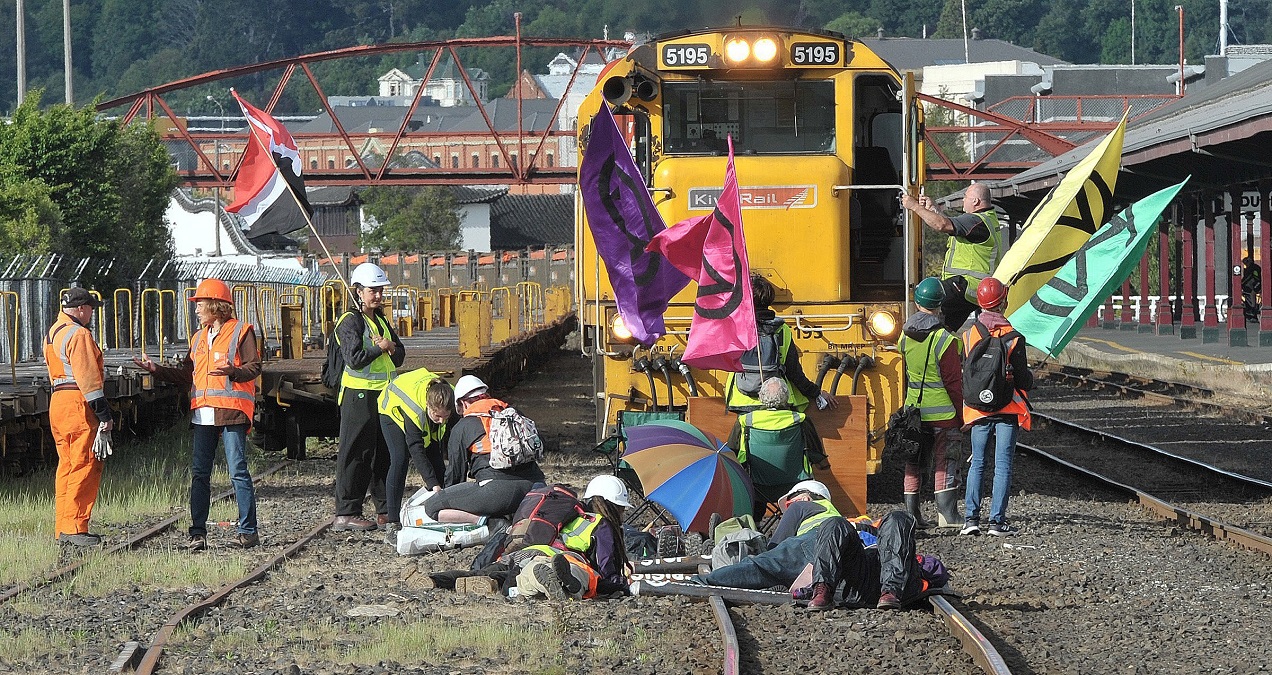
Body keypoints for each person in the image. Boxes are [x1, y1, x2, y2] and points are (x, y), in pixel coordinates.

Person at [135, 278, 262, 550]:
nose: (196, 309)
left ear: (216, 305)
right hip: (202, 413)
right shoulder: (197, 338)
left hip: (231, 412)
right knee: (199, 473)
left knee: (237, 470)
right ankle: (198, 533)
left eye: (200, 304)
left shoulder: (241, 331)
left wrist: (234, 372)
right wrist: (155, 369)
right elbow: (187, 375)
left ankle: (248, 531)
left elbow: (254, 367)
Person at [692, 480, 924, 610]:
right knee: (898, 517)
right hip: (873, 575)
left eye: (789, 504)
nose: (788, 509)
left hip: (831, 557)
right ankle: (890, 592)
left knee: (765, 566)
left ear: (804, 497)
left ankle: (824, 592)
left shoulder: (805, 508)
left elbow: (773, 553)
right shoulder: (847, 520)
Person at [333, 262, 405, 531]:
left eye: (380, 290)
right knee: (355, 454)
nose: (378, 295)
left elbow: (399, 355)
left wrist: (388, 346)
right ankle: (346, 512)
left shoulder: (381, 320)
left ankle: (385, 510)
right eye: (372, 290)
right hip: (358, 396)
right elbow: (354, 359)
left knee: (383, 453)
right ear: (358, 292)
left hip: (384, 396)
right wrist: (381, 349)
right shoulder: (349, 322)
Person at [960, 277, 1033, 537]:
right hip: (1007, 411)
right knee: (1002, 465)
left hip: (978, 409)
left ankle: (971, 520)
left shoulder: (969, 335)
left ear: (980, 303)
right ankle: (997, 523)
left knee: (977, 462)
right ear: (1003, 302)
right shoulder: (1014, 338)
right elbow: (1024, 380)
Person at [46, 287, 115, 547]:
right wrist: (104, 415)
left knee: (66, 466)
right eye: (90, 310)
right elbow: (88, 379)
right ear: (82, 309)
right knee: (85, 463)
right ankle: (75, 527)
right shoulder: (79, 334)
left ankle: (63, 527)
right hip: (78, 403)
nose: (91, 315)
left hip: (58, 403)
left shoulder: (53, 333)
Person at [425, 375, 544, 522]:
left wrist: (447, 495)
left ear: (462, 403)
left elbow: (455, 475)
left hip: (498, 492)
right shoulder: (515, 413)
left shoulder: (462, 427)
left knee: (432, 506)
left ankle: (492, 524)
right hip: (537, 487)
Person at [898, 277, 964, 529]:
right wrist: (961, 414)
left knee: (913, 462)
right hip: (943, 414)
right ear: (940, 304)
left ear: (917, 303)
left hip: (913, 413)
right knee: (946, 460)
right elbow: (953, 384)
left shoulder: (904, 337)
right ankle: (947, 515)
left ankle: (913, 516)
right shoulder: (944, 340)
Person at [724, 274, 837, 413]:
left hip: (741, 401)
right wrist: (816, 392)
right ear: (770, 300)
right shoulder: (782, 330)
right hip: (776, 402)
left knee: (744, 434)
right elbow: (794, 372)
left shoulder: (735, 328)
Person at [901, 184, 1004, 332]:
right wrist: (933, 209)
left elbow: (942, 225)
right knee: (943, 331)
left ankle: (912, 338)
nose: (963, 200)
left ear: (975, 201)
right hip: (973, 292)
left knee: (929, 298)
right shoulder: (985, 220)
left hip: (965, 285)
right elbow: (951, 224)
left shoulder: (976, 221)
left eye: (966, 197)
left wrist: (915, 206)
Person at [725, 378, 829, 518]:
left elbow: (731, 453)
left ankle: (754, 526)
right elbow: (816, 453)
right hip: (795, 487)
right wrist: (824, 465)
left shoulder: (745, 421)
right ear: (786, 397)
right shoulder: (800, 420)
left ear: (761, 397)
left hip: (757, 489)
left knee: (751, 478)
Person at [516, 475, 632, 600]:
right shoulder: (602, 525)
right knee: (583, 577)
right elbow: (605, 569)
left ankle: (534, 582)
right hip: (570, 560)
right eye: (621, 509)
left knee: (527, 577)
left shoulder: (574, 514)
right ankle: (562, 586)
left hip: (539, 552)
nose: (622, 515)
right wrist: (624, 583)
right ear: (612, 507)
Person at [377, 367, 457, 545]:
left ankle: (444, 510)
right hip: (391, 408)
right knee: (399, 459)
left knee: (435, 452)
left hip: (421, 400)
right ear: (429, 407)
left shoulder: (449, 397)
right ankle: (392, 522)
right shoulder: (415, 409)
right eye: (437, 416)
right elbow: (417, 449)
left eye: (446, 417)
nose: (442, 421)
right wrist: (432, 484)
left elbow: (437, 450)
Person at [1242, 257, 1261, 324]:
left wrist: (1241, 284)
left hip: (1258, 283)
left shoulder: (1252, 268)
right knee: (1249, 292)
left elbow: (1249, 277)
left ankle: (1253, 308)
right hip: (1256, 283)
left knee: (1252, 293)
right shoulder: (1254, 267)